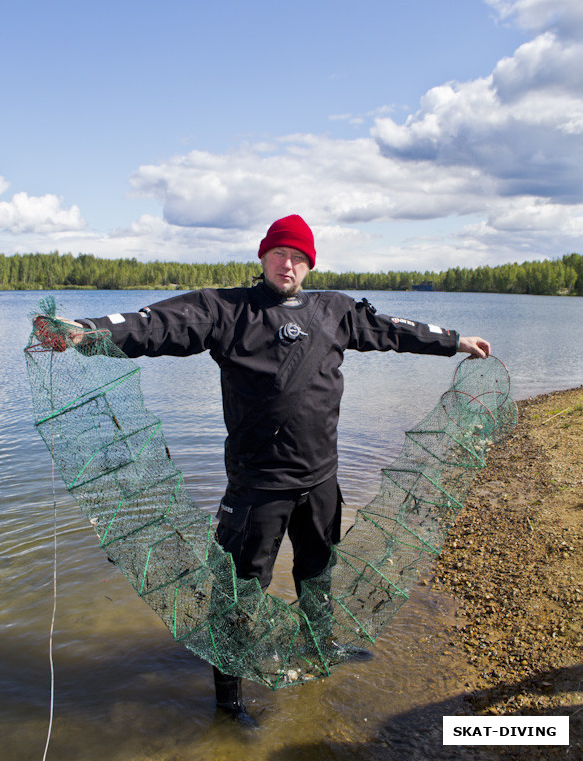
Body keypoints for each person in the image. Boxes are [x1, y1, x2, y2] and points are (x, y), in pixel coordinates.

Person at [37, 214, 490, 727]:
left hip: (320, 480)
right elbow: (156, 323)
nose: (288, 264)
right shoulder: (225, 308)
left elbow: (394, 331)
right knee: (238, 590)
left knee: (318, 571)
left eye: (299, 257)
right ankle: (227, 700)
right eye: (280, 254)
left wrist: (454, 341)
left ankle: (322, 644)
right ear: (262, 257)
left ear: (310, 265)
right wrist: (86, 332)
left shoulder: (335, 310)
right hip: (257, 488)